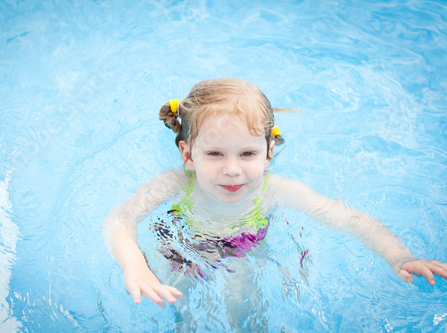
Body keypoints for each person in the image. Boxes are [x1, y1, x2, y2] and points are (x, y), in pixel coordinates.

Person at [104, 78, 447, 311]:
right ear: (188, 154)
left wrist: (398, 256)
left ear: (268, 153)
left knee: (247, 311)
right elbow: (119, 219)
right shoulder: (176, 183)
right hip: (182, 248)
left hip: (244, 250)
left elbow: (348, 218)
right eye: (215, 154)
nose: (233, 169)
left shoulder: (276, 190)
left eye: (248, 154)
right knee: (182, 310)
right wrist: (135, 266)